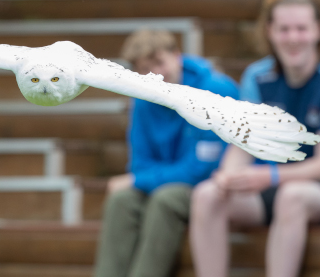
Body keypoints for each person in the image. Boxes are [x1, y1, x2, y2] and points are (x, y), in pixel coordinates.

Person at [188, 0, 320, 277]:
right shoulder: (257, 77)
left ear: (319, 31)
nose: (293, 38)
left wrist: (267, 176)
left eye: (301, 29)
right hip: (278, 182)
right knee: (207, 194)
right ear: (270, 32)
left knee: (292, 196)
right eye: (284, 29)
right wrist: (228, 176)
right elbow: (243, 144)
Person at [93, 29, 239, 277]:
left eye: (160, 63)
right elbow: (139, 163)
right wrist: (142, 179)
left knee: (165, 200)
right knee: (121, 200)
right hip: (168, 183)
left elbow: (202, 169)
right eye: (146, 69)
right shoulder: (142, 99)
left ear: (177, 56)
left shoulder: (215, 90)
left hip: (213, 187)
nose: (156, 74)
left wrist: (141, 180)